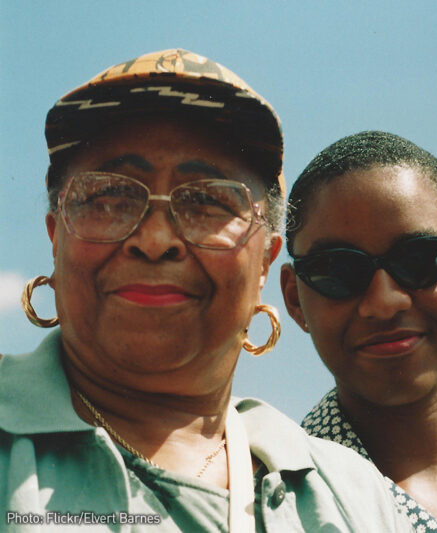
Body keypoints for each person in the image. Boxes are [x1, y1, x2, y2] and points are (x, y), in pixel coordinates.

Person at [0, 49, 411, 533]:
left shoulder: (351, 498)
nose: (154, 241)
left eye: (207, 202)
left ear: (266, 260)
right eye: (109, 197)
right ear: (56, 236)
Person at [280, 131, 437, 533]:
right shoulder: (264, 507)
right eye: (339, 270)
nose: (384, 302)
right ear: (295, 299)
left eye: (419, 259)